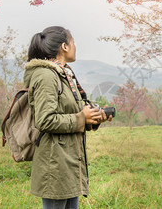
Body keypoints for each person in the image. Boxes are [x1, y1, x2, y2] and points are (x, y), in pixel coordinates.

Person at [24, 26, 112, 209]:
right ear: (64, 46)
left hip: (69, 162)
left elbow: (72, 112)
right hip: (55, 164)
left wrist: (93, 118)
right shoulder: (46, 76)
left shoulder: (64, 74)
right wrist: (81, 118)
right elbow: (45, 120)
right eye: (73, 43)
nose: (75, 47)